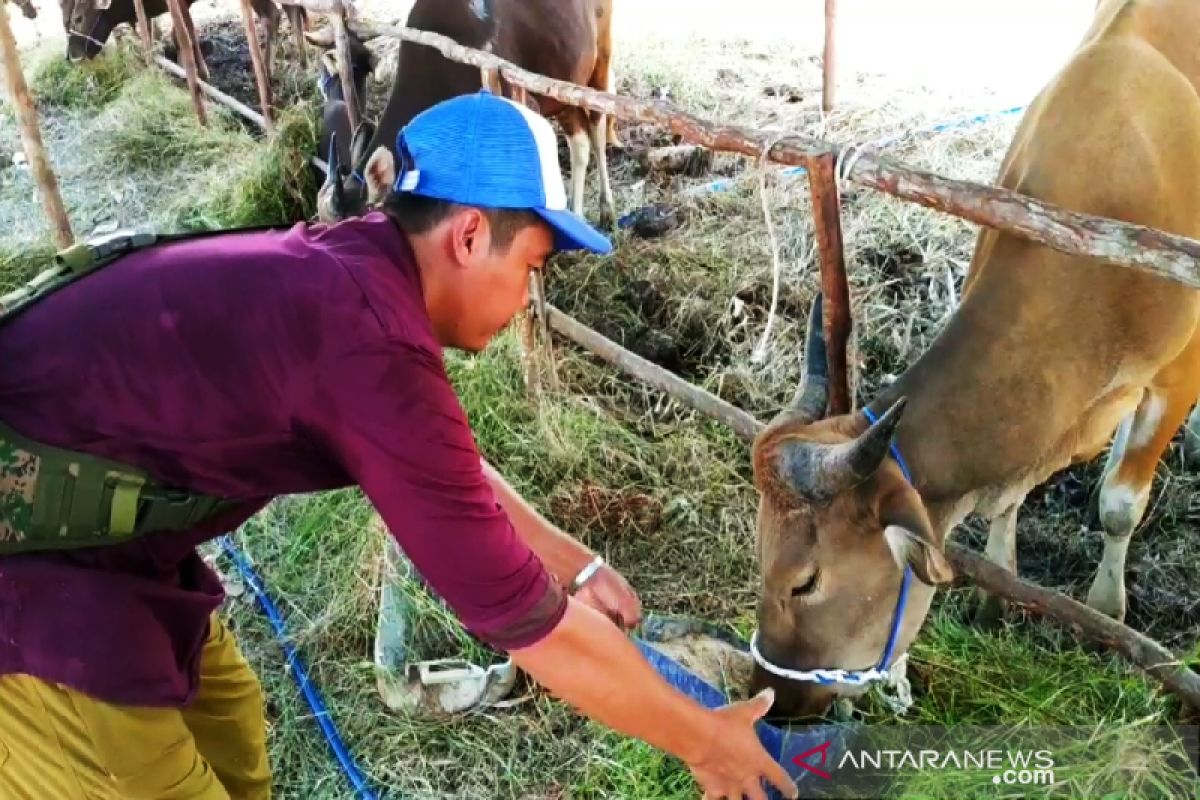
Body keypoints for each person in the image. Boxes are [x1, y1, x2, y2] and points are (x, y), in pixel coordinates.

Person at [0, 90, 797, 800]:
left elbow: (446, 470)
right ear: (471, 234)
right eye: (533, 266)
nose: (526, 301)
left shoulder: (352, 276)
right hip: (41, 598)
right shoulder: (367, 341)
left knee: (235, 725)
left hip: (121, 553)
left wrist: (574, 562)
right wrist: (705, 741)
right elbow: (535, 630)